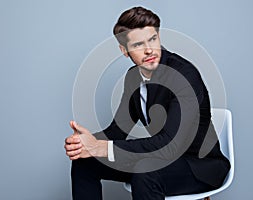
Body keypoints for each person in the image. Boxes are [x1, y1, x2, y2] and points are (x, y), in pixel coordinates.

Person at [64, 6, 230, 200]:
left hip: (199, 166)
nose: (149, 49)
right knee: (86, 162)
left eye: (152, 39)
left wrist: (101, 147)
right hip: (158, 160)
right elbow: (118, 131)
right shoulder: (133, 78)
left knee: (146, 170)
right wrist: (85, 143)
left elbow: (170, 144)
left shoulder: (184, 75)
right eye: (138, 45)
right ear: (124, 50)